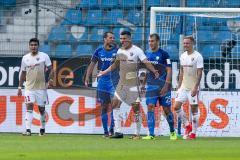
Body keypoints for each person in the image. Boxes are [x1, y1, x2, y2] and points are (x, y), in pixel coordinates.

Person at [98, 31, 159, 139]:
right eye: (121, 39)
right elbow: (115, 65)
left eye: (125, 39)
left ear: (130, 39)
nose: (122, 41)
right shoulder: (120, 50)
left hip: (133, 84)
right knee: (115, 104)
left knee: (135, 108)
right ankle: (118, 132)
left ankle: (137, 133)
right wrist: (104, 72)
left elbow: (146, 62)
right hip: (121, 83)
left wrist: (154, 71)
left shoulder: (137, 50)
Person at [141, 33, 177, 140]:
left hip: (163, 86)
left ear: (157, 41)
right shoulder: (146, 53)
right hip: (151, 86)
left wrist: (166, 85)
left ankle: (172, 132)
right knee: (150, 107)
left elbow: (169, 70)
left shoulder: (164, 54)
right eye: (149, 41)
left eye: (152, 41)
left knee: (166, 109)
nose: (150, 43)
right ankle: (151, 134)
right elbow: (148, 70)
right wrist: (143, 84)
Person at [85, 31, 119, 137]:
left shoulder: (117, 51)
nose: (112, 39)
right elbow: (92, 65)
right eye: (110, 37)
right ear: (105, 39)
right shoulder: (99, 51)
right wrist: (87, 77)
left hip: (114, 80)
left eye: (113, 38)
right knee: (104, 106)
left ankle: (112, 129)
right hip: (102, 81)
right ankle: (105, 132)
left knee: (115, 104)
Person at [18, 38, 53, 136]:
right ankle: (28, 130)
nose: (33, 46)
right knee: (29, 107)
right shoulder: (25, 58)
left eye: (35, 45)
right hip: (29, 88)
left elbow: (51, 69)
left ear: (38, 46)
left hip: (41, 88)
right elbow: (23, 73)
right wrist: (20, 87)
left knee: (41, 109)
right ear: (29, 46)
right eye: (32, 45)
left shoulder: (44, 56)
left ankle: (42, 129)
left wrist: (50, 81)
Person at [174, 35, 203, 140]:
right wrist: (178, 85)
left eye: (187, 43)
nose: (185, 45)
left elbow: (200, 73)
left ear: (192, 44)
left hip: (193, 87)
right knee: (176, 107)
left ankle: (193, 133)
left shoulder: (198, 56)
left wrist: (196, 87)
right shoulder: (182, 56)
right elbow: (181, 72)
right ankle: (187, 125)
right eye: (184, 43)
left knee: (194, 110)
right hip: (183, 87)